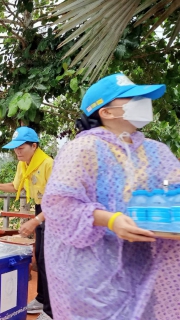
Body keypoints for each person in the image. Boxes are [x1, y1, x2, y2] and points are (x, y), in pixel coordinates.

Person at [42, 73, 180, 319]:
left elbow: (174, 188)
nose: (143, 102)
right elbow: (59, 205)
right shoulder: (83, 149)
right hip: (94, 273)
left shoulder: (157, 151)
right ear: (106, 112)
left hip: (145, 265)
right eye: (133, 98)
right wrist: (110, 220)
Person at [0, 127, 54, 320]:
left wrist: (37, 220)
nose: (17, 152)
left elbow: (58, 199)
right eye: (15, 148)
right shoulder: (23, 165)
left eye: (21, 148)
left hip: (54, 212)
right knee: (39, 255)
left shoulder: (48, 164)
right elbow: (15, 186)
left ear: (34, 146)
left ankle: (50, 310)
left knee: (49, 259)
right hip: (40, 209)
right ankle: (40, 298)